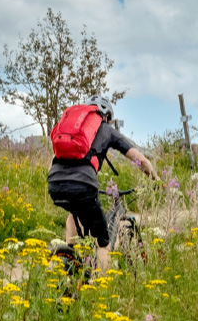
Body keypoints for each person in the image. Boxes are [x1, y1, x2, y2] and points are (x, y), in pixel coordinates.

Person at [47, 95, 159, 271]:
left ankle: (71, 255)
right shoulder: (106, 129)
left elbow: (54, 160)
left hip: (55, 183)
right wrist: (156, 180)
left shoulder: (73, 132)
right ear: (106, 116)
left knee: (74, 212)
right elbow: (141, 161)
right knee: (103, 242)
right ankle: (101, 290)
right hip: (84, 185)